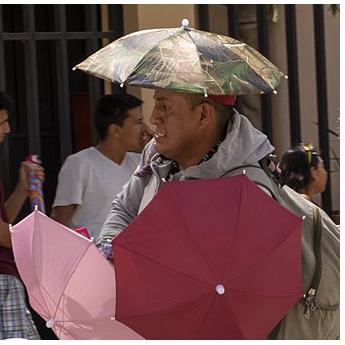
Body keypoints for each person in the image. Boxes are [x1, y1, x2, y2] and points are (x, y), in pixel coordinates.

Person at [98, 87, 282, 246]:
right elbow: (125, 209)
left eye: (165, 107)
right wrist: (110, 251)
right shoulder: (156, 155)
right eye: (155, 104)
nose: (153, 118)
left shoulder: (249, 190)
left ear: (203, 115)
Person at [51, 92, 147, 240]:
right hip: (91, 257)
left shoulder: (140, 164)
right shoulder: (79, 164)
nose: (145, 129)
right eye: (138, 122)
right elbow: (58, 223)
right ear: (115, 130)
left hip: (129, 255)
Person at [0, 90, 41, 341]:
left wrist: (23, 188)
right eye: (2, 122)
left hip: (3, 277)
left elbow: (0, 222)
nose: (8, 129)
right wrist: (36, 249)